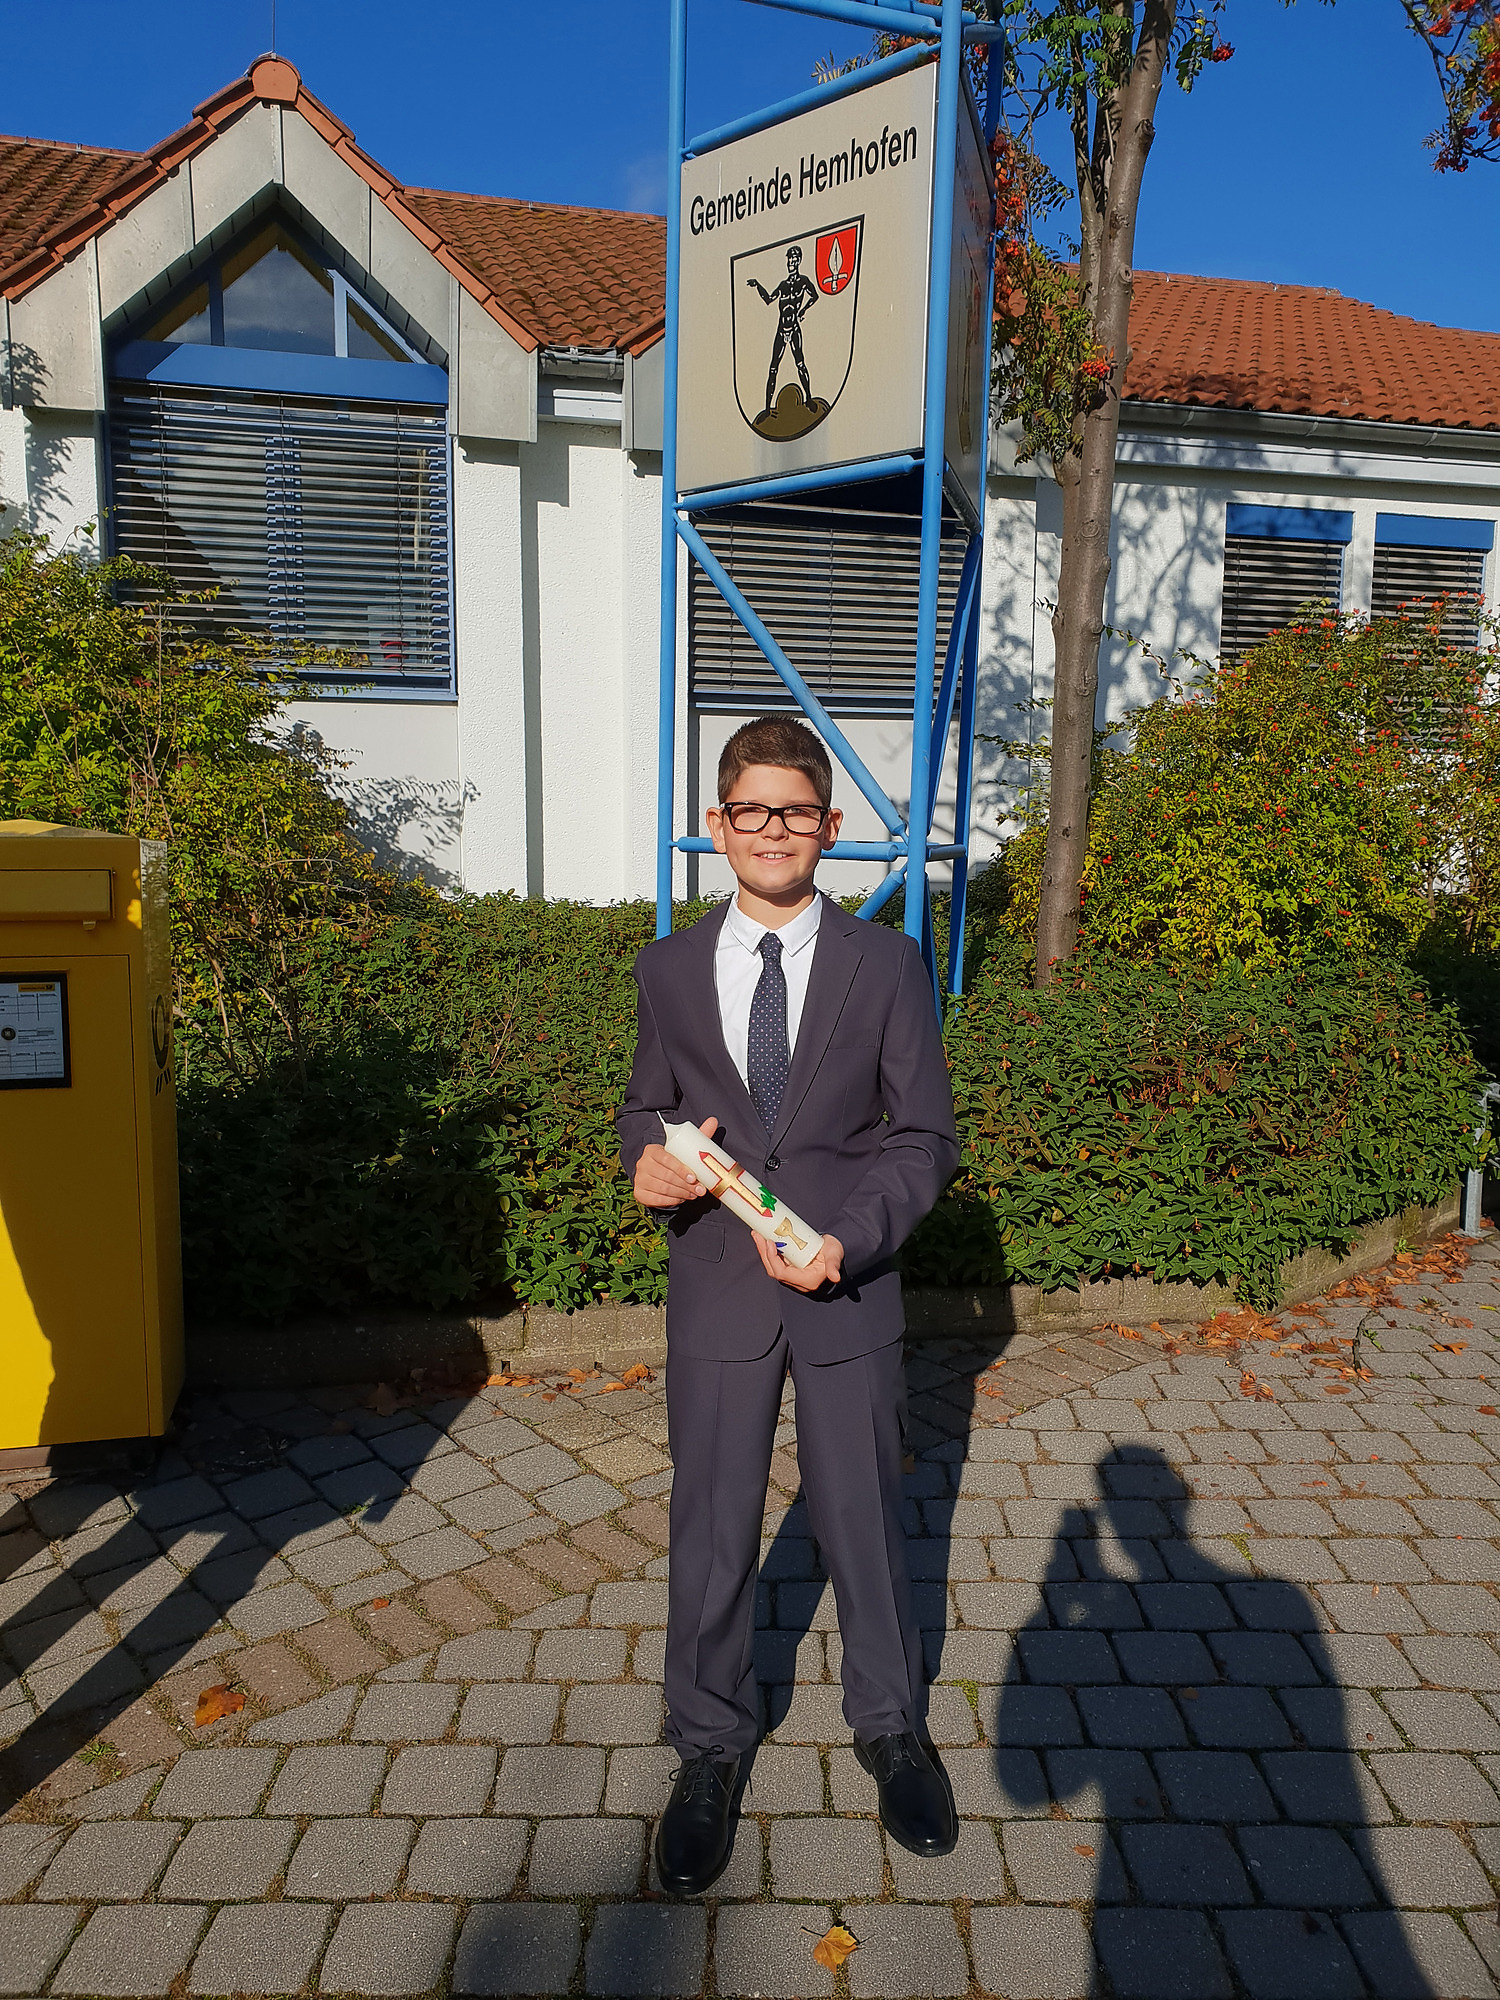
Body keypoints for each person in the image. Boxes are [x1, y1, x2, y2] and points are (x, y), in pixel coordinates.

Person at [617, 714, 960, 1895]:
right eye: (753, 810)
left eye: (796, 811)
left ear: (831, 825)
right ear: (719, 825)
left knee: (862, 1514)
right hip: (718, 1283)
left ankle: (891, 1725)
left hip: (845, 1281)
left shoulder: (887, 964)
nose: (774, 829)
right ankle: (708, 1743)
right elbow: (646, 1106)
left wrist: (848, 1240)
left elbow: (923, 1136)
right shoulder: (667, 968)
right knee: (713, 1523)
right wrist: (647, 1166)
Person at [746, 243, 818, 415]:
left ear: (799, 261)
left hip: (794, 329)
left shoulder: (803, 281)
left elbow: (814, 296)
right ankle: (767, 408)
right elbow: (769, 299)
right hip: (781, 329)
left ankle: (808, 398)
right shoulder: (783, 285)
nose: (790, 262)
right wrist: (758, 285)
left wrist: (803, 310)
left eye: (793, 258)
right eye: (789, 259)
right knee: (773, 367)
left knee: (800, 363)